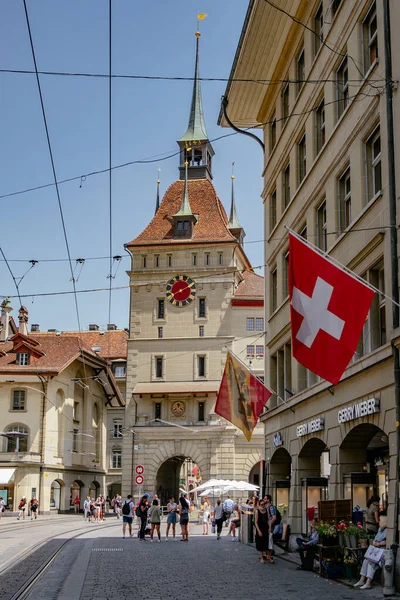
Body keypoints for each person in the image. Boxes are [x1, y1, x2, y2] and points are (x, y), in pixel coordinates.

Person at [354, 513, 387, 590]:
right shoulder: (380, 529)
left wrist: (377, 543)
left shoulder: (387, 530)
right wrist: (376, 542)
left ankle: (368, 582)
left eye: (380, 520)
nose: (378, 521)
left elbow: (384, 541)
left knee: (371, 562)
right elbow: (376, 539)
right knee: (366, 560)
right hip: (376, 551)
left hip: (382, 553)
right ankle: (362, 580)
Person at [255, 499, 270, 563]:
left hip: (265, 528)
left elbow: (268, 519)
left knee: (265, 543)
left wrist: (269, 527)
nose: (263, 506)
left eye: (264, 504)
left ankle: (267, 556)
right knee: (260, 543)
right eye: (261, 504)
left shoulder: (266, 510)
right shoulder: (257, 511)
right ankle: (261, 558)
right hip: (260, 528)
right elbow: (256, 522)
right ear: (259, 505)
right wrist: (258, 531)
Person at [264, 494, 276, 563]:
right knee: (266, 540)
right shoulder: (265, 507)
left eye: (265, 499)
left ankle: (269, 555)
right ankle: (266, 554)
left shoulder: (271, 507)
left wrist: (270, 525)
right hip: (266, 526)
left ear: (268, 500)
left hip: (270, 526)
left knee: (270, 540)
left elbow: (274, 518)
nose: (264, 499)